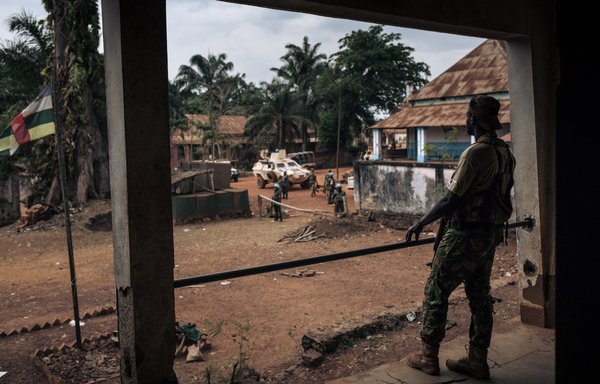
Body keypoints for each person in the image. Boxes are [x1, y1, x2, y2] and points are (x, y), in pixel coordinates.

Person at [404, 95, 516, 379]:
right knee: (480, 295)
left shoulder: (476, 153)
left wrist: (421, 222)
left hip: (465, 234)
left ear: (474, 119)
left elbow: (452, 198)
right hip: (489, 235)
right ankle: (477, 360)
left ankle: (428, 356)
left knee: (436, 291)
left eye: (468, 116)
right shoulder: (504, 151)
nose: (466, 121)